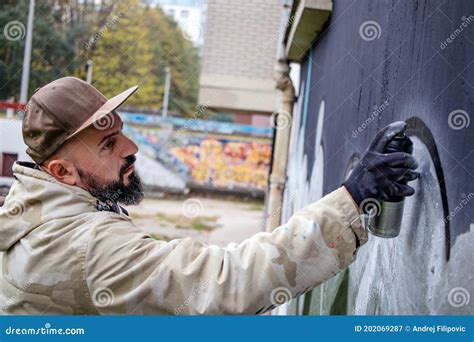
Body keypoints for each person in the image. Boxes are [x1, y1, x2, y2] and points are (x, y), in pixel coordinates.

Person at [0, 77, 419, 315]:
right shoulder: (85, 246)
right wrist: (350, 200)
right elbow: (222, 283)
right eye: (108, 144)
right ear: (62, 172)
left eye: (120, 130)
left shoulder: (25, 215)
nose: (131, 147)